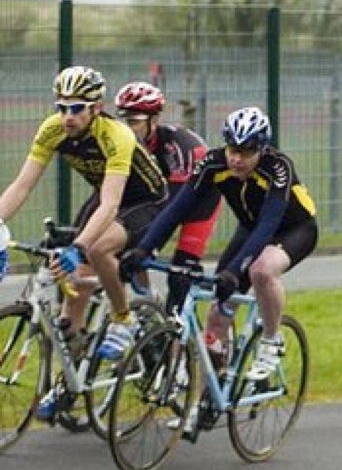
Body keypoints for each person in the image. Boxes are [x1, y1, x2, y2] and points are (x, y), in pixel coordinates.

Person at [121, 106, 319, 382]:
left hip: (294, 230)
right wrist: (144, 248)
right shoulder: (214, 163)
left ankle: (272, 340)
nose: (236, 159)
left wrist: (235, 270)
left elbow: (267, 225)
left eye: (246, 153)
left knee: (261, 270)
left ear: (262, 150)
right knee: (216, 316)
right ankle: (216, 389)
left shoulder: (277, 167)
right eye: (232, 150)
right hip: (250, 229)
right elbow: (176, 210)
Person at [0, 67, 168, 363]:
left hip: (146, 201)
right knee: (74, 280)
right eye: (61, 107)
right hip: (105, 193)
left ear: (97, 108)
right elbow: (22, 185)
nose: (68, 116)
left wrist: (79, 247)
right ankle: (73, 369)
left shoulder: (116, 135)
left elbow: (111, 205)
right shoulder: (52, 129)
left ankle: (123, 319)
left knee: (97, 249)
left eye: (77, 108)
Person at [114, 81, 223, 313]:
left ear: (153, 121)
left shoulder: (175, 147)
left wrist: (146, 247)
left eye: (134, 122)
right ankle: (149, 305)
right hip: (165, 200)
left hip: (200, 202)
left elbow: (173, 208)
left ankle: (177, 327)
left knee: (178, 275)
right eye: (123, 121)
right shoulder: (128, 146)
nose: (127, 128)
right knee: (130, 253)